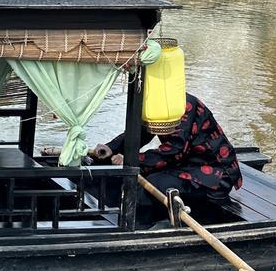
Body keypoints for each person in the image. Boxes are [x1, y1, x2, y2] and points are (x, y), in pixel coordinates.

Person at [92, 92, 242, 215]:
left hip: (214, 174)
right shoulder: (155, 103)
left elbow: (175, 149)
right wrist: (111, 148)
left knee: (153, 183)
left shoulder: (185, 105)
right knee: (123, 173)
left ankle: (145, 223)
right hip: (184, 164)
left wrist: (132, 159)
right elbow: (141, 133)